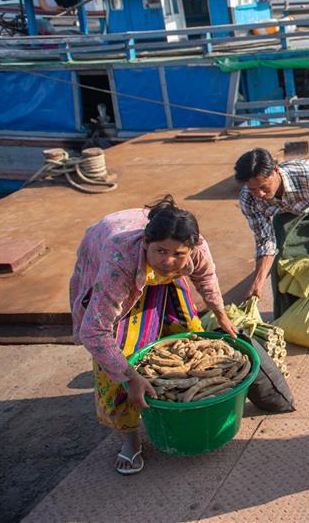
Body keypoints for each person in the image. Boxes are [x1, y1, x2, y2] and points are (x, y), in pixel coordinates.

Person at [69, 196, 235, 475]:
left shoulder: (195, 249)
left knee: (189, 335)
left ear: (191, 249)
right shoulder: (119, 260)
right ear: (146, 242)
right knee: (117, 358)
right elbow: (94, 332)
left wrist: (221, 315)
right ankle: (130, 440)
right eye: (160, 251)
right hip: (119, 261)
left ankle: (182, 409)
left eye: (178, 254)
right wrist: (130, 376)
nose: (168, 260)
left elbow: (206, 278)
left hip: (151, 268)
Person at [235, 148, 309, 318]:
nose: (261, 194)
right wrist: (257, 282)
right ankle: (291, 312)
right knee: (283, 253)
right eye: (254, 190)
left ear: (275, 171)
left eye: (263, 187)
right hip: (283, 207)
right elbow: (266, 242)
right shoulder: (248, 199)